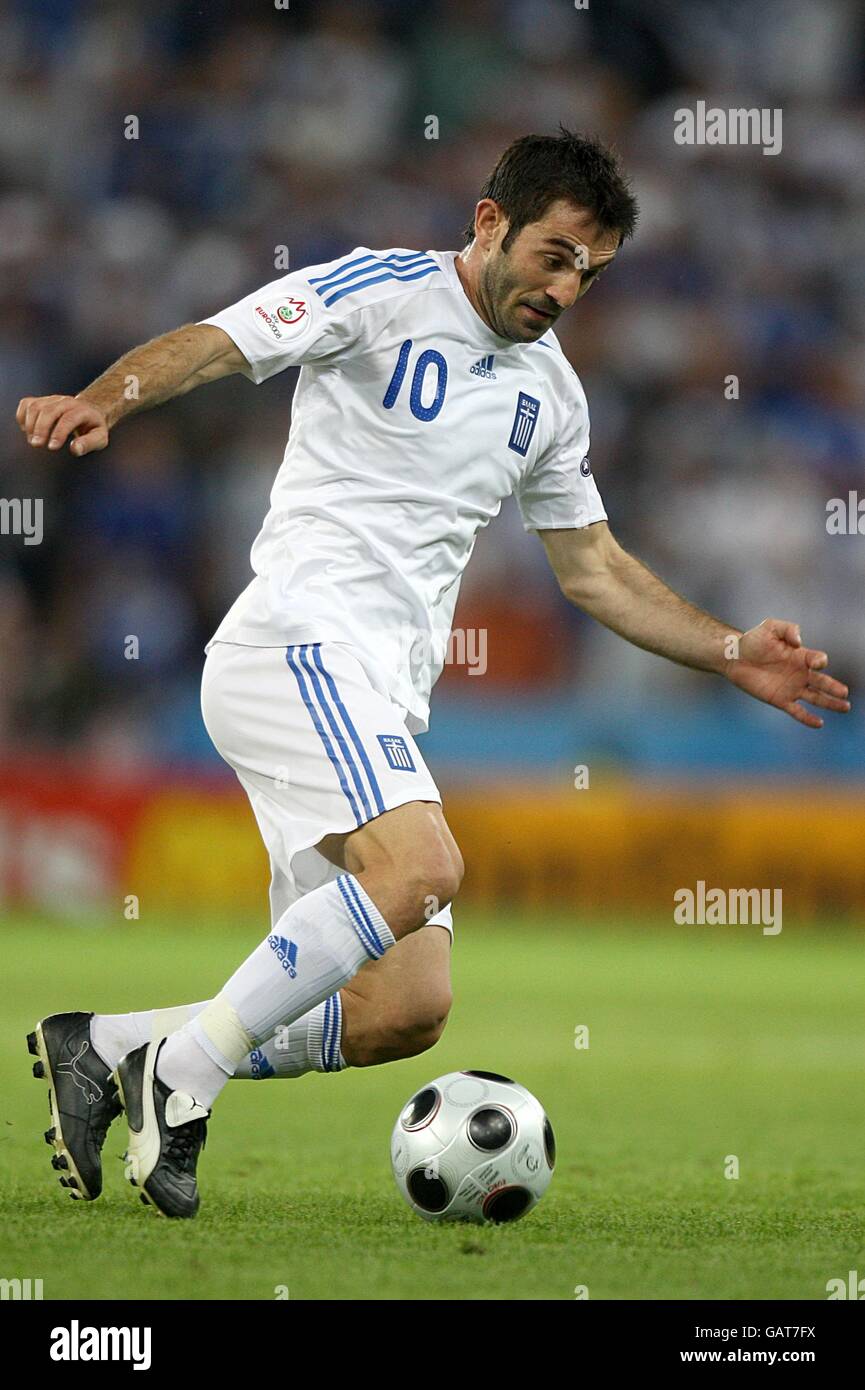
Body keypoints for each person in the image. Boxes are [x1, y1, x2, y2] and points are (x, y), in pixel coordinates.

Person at [18, 130, 849, 1218]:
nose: (565, 288)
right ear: (490, 221)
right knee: (423, 865)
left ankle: (113, 1046)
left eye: (588, 274)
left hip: (374, 697)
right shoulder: (380, 289)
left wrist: (730, 648)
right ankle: (183, 1079)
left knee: (403, 1008)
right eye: (553, 256)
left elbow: (591, 568)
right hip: (294, 645)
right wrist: (109, 396)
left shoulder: (549, 399)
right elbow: (221, 341)